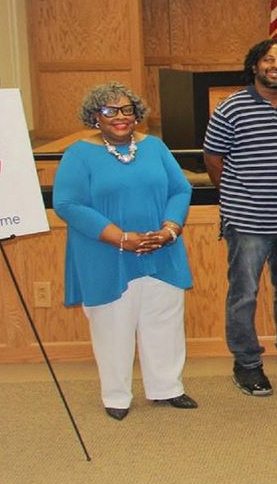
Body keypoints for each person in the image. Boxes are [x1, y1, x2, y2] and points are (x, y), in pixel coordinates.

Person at [53, 82, 196, 420]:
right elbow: (67, 203)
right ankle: (116, 396)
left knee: (164, 320)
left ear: (137, 114)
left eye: (126, 109)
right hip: (105, 254)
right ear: (95, 116)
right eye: (109, 111)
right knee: (113, 325)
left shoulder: (156, 147)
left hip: (160, 249)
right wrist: (120, 237)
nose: (119, 117)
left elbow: (180, 189)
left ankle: (167, 387)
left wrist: (169, 230)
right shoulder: (78, 154)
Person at [203, 38, 277, 397]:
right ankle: (247, 362)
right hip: (247, 219)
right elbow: (213, 158)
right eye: (268, 60)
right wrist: (238, 197)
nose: (275, 66)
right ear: (254, 66)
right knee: (244, 293)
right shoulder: (231, 107)